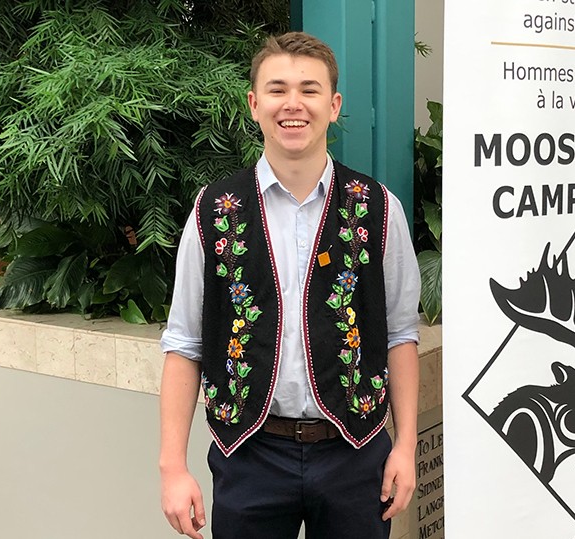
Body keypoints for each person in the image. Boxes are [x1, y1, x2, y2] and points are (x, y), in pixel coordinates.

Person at [159, 31, 421, 539]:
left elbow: (400, 337)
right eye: (277, 89)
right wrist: (172, 466)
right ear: (254, 103)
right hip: (249, 454)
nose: (293, 104)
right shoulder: (213, 211)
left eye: (310, 89)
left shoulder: (377, 209)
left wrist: (405, 446)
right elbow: (184, 343)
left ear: (334, 104)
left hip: (354, 452)